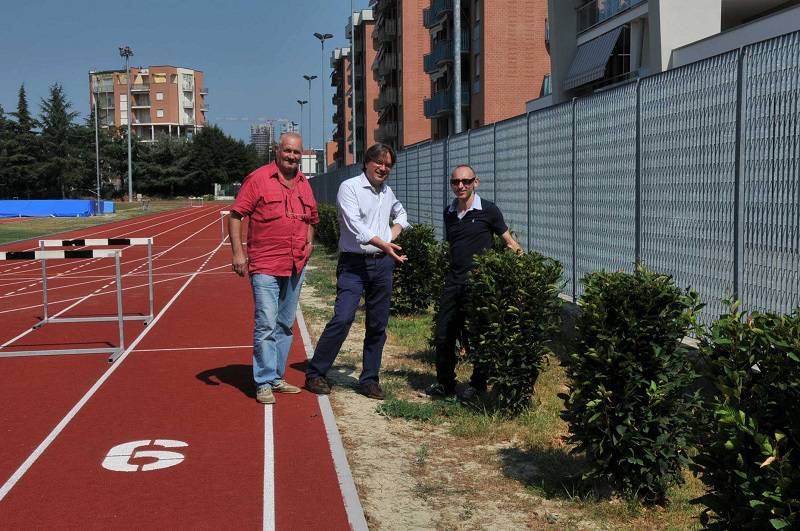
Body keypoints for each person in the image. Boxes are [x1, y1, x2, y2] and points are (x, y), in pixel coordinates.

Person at [305, 143, 409, 400]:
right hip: (353, 264)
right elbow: (355, 227)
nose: (383, 168)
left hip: (382, 264)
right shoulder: (349, 187)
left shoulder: (387, 191)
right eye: (379, 162)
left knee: (378, 324)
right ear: (367, 162)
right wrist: (384, 242)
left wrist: (391, 234)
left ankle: (369, 379)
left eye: (388, 165)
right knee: (343, 318)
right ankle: (316, 372)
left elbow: (402, 214)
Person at [229, 132, 319, 405]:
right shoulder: (258, 179)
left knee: (284, 324)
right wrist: (238, 252)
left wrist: (310, 242)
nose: (292, 156)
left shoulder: (304, 183)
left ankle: (277, 376)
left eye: (296, 153)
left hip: (295, 264)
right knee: (266, 323)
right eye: (287, 151)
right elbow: (235, 216)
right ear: (277, 151)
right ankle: (264, 381)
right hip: (266, 264)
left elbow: (312, 218)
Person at [426, 164, 522, 400]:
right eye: (456, 182)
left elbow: (510, 242)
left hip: (478, 284)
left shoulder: (488, 210)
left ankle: (478, 385)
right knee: (444, 334)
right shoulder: (449, 213)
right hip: (453, 282)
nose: (461, 186)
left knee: (478, 336)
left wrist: (515, 269)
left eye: (466, 182)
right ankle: (445, 384)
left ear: (475, 183)